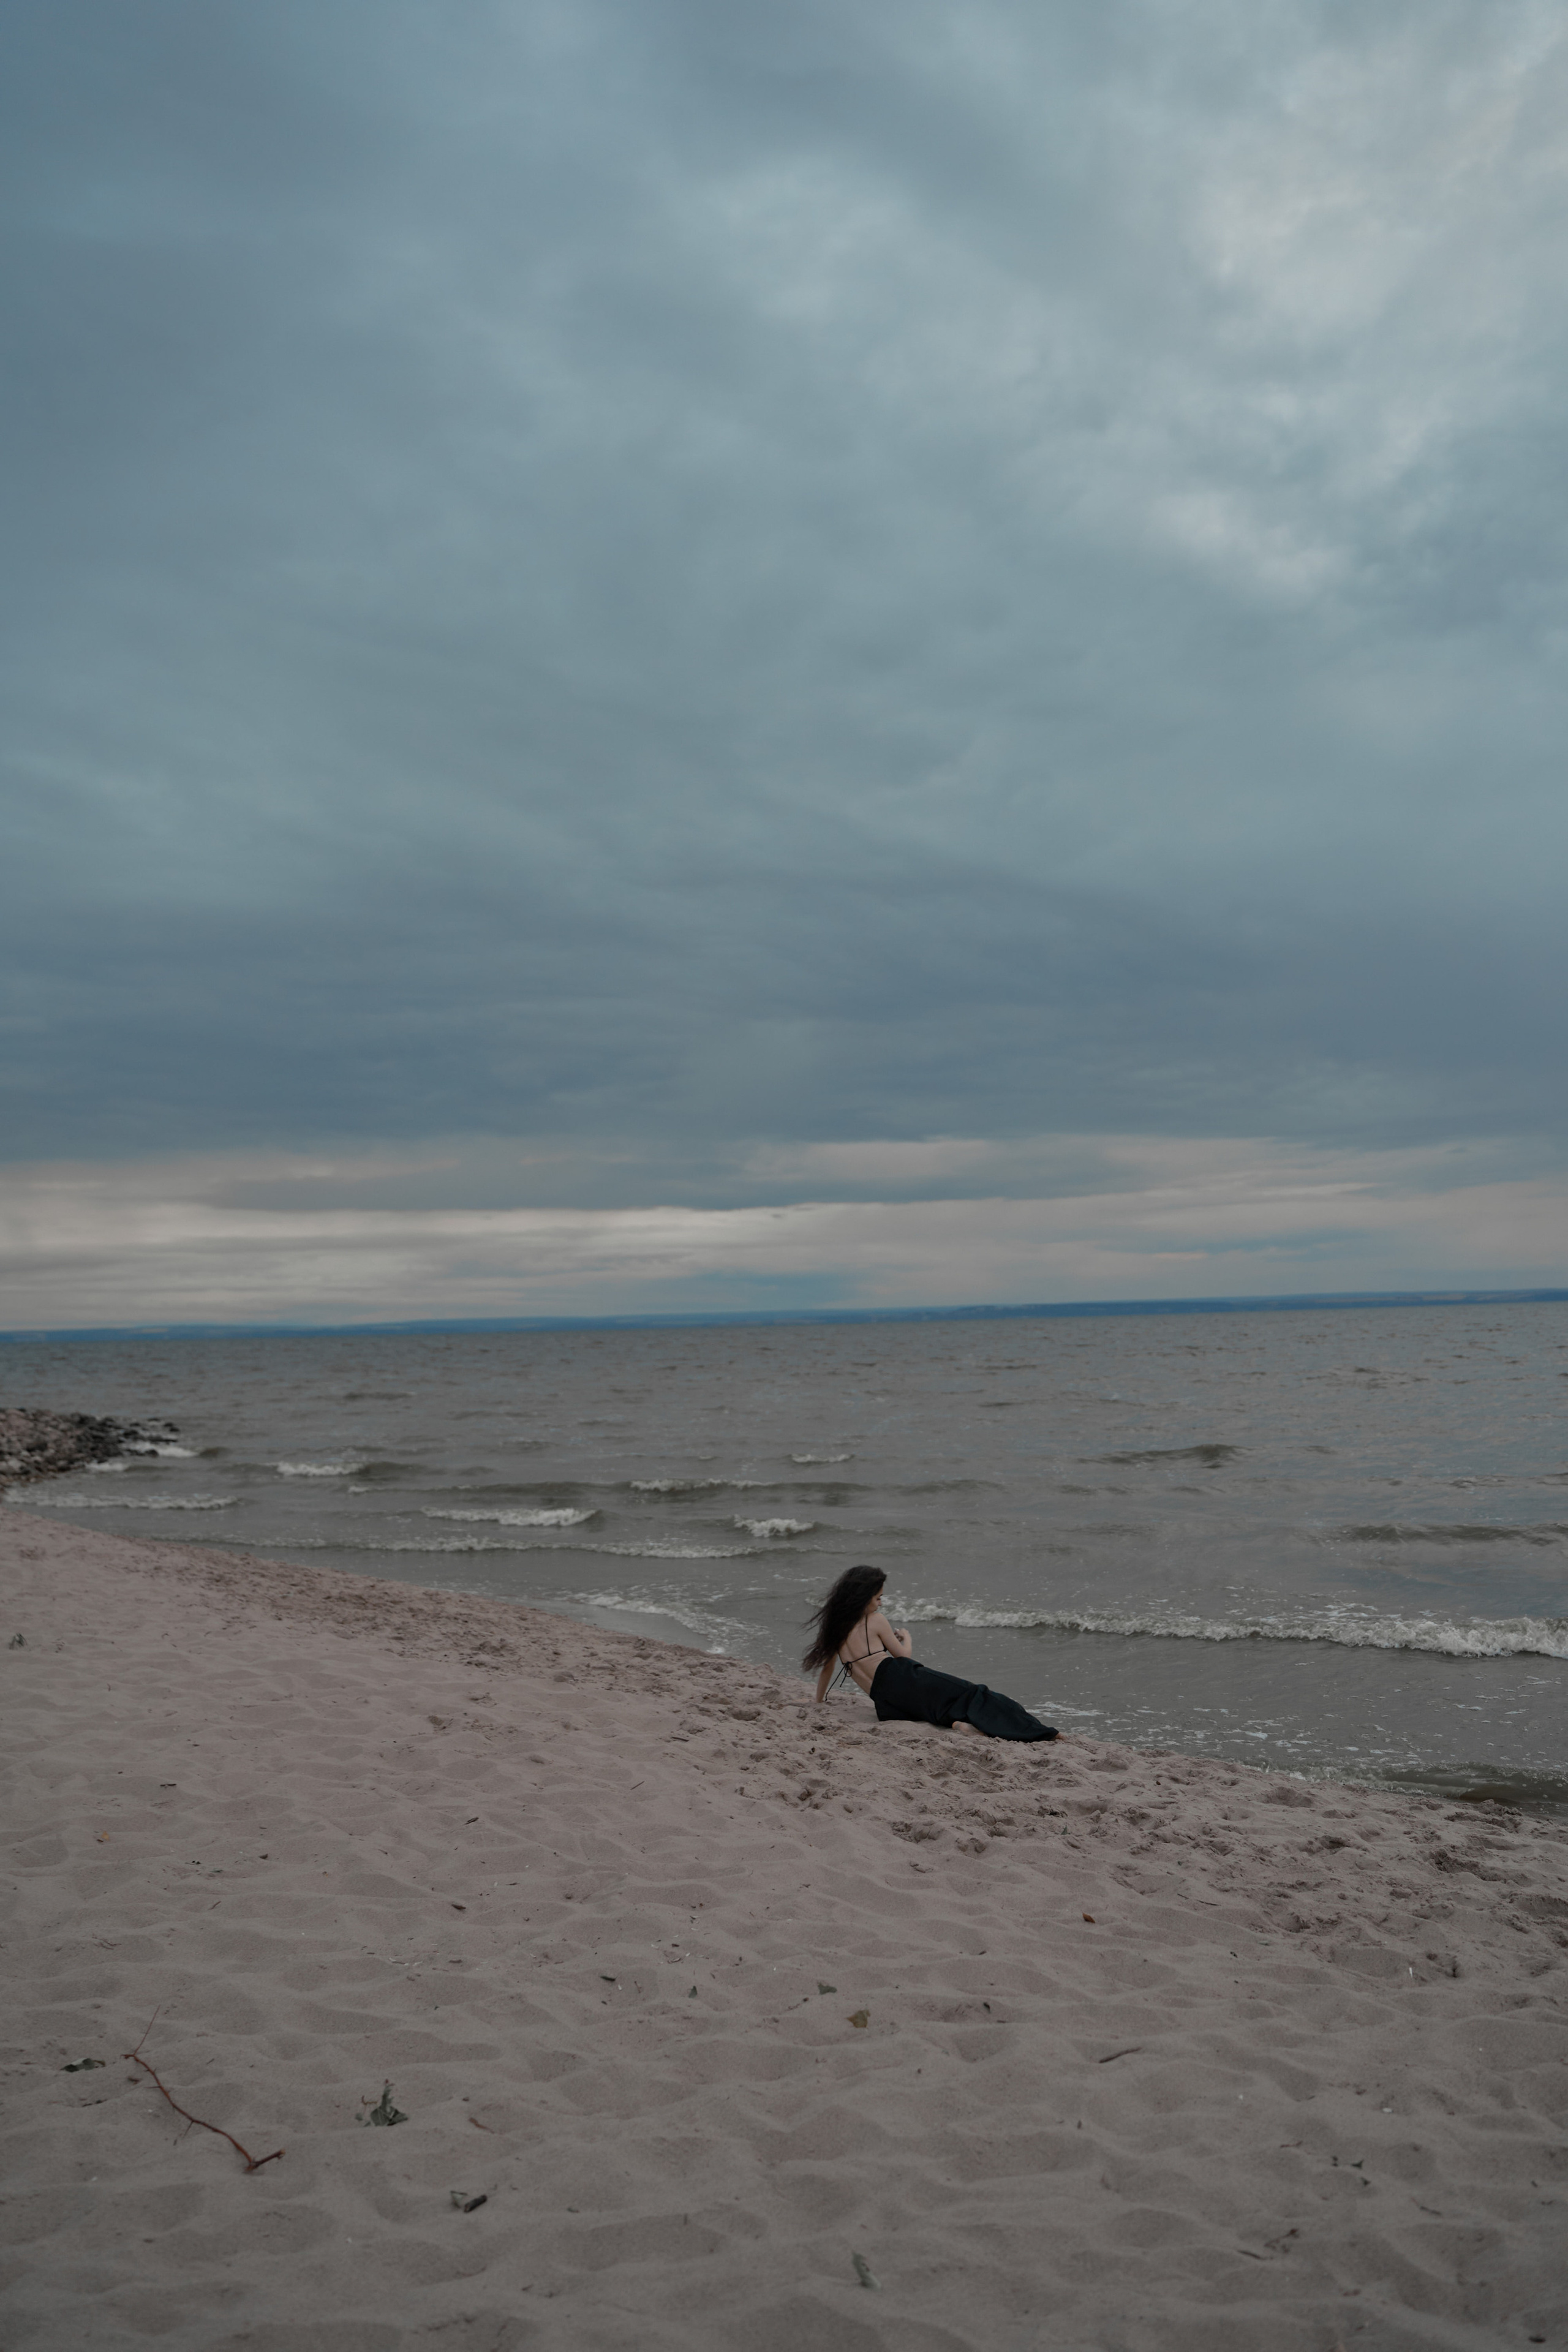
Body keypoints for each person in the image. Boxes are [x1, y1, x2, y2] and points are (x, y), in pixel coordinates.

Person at [803, 1564, 1057, 1741]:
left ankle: (957, 1725)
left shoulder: (835, 1628)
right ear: (863, 1597)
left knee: (936, 1709)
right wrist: (907, 1638)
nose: (881, 1603)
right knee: (974, 1694)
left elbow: (827, 1668)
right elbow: (903, 1658)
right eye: (879, 1598)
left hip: (885, 1704)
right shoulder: (876, 1620)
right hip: (898, 1676)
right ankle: (1043, 1733)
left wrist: (818, 1701)